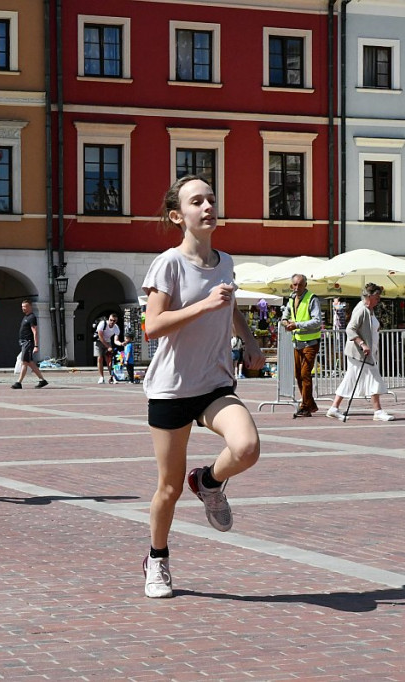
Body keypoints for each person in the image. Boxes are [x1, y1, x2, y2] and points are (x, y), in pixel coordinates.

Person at [140, 175, 264, 599]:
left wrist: (249, 341)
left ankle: (209, 482)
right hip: (171, 389)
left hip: (214, 381)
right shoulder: (169, 264)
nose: (208, 206)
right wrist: (203, 304)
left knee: (246, 447)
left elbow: (229, 308)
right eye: (197, 201)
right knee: (169, 489)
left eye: (211, 198)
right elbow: (151, 327)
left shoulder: (226, 261)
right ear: (179, 215)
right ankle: (157, 558)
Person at [325, 282, 395, 423]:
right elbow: (350, 329)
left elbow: (367, 327)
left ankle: (334, 408)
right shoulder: (362, 309)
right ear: (368, 296)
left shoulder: (369, 309)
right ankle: (378, 411)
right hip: (360, 353)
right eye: (376, 296)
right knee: (374, 379)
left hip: (364, 354)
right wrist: (362, 344)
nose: (378, 299)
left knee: (350, 380)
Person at [281, 273, 322, 417]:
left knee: (305, 374)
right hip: (297, 342)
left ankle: (305, 406)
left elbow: (317, 321)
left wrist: (297, 324)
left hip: (311, 342)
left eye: (300, 284)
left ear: (305, 285)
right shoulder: (291, 299)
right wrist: (285, 322)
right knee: (298, 375)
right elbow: (284, 317)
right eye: (295, 284)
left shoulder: (312, 299)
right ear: (291, 285)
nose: (297, 287)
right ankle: (310, 405)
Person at [12, 299, 48, 389]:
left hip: (27, 342)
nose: (23, 308)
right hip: (24, 343)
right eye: (22, 307)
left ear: (30, 307)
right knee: (29, 362)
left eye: (25, 307)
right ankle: (42, 380)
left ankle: (18, 382)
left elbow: (35, 332)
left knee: (25, 362)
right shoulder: (26, 317)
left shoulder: (32, 317)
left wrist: (36, 345)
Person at [95, 313, 122, 384]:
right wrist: (108, 346)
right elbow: (100, 337)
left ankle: (112, 376)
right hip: (99, 341)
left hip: (108, 341)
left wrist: (121, 344)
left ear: (116, 321)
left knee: (109, 359)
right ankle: (101, 377)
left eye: (114, 321)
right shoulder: (102, 324)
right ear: (108, 319)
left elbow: (116, 340)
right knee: (100, 358)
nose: (112, 322)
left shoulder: (116, 328)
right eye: (111, 320)